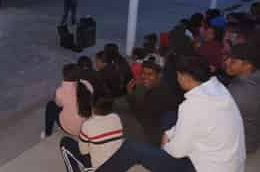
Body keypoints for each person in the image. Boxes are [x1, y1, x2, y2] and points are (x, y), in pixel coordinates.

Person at [97, 56, 246, 172]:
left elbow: (177, 151)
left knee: (132, 148)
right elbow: (196, 120)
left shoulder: (193, 105)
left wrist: (166, 143)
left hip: (202, 168)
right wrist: (169, 132)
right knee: (169, 117)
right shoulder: (219, 89)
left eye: (178, 76)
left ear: (184, 77)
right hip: (230, 164)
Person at [60, 84, 123, 172]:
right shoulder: (116, 118)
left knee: (65, 142)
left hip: (99, 168)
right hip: (117, 166)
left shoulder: (87, 125)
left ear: (92, 106)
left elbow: (84, 151)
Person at [126, 57, 178, 146]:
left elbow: (141, 117)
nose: (144, 77)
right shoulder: (162, 87)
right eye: (143, 73)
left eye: (150, 74)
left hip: (155, 138)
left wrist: (131, 96)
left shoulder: (157, 95)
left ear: (160, 75)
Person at [225, 43, 260, 154]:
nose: (227, 62)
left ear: (248, 66)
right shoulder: (255, 76)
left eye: (233, 61)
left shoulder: (238, 92)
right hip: (254, 137)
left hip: (242, 146)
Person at [42, 64, 86, 139]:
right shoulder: (86, 85)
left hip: (72, 129)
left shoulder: (61, 91)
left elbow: (58, 104)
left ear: (64, 76)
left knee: (51, 106)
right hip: (85, 127)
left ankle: (47, 133)